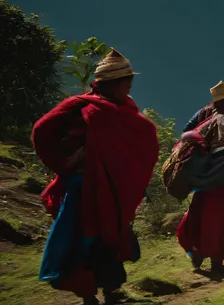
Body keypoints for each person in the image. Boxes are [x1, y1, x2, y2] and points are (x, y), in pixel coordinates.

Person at [33, 49, 159, 305]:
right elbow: (42, 130)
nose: (129, 89)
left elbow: (141, 141)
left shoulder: (122, 109)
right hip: (84, 188)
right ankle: (88, 295)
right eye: (127, 84)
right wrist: (62, 165)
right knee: (84, 238)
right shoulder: (83, 108)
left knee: (110, 237)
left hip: (112, 188)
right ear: (113, 84)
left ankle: (111, 291)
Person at [176, 82, 224, 273]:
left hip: (203, 175)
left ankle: (196, 251)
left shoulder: (202, 116)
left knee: (199, 213)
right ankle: (216, 263)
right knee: (219, 219)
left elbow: (186, 132)